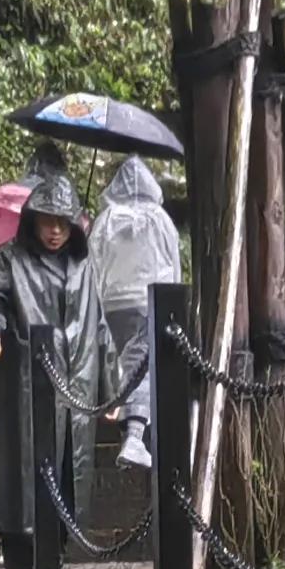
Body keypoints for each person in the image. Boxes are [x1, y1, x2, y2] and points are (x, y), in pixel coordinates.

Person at [0, 151, 118, 569]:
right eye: (47, 220)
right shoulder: (4, 262)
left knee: (65, 489)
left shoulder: (83, 265)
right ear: (33, 219)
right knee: (23, 493)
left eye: (63, 222)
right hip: (23, 394)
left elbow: (97, 325)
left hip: (73, 396)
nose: (55, 230)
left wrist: (111, 388)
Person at [89, 151, 183, 469]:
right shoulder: (160, 220)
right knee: (142, 368)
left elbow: (93, 266)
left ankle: (123, 419)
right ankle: (135, 434)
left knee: (123, 367)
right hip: (150, 301)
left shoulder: (105, 221)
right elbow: (175, 265)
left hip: (113, 304)